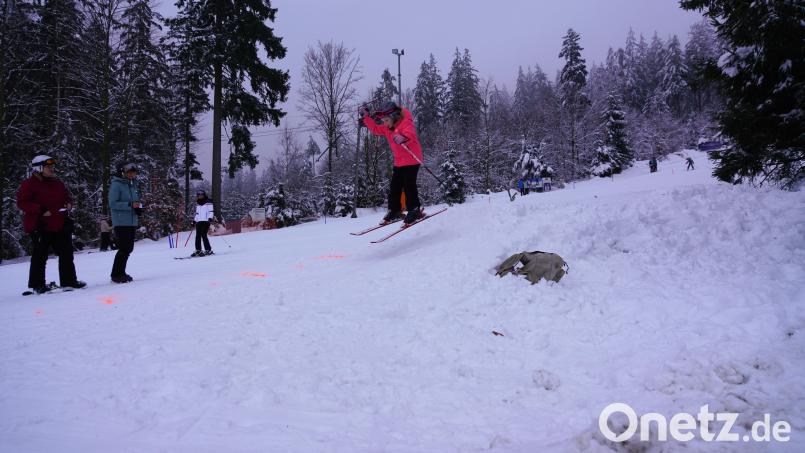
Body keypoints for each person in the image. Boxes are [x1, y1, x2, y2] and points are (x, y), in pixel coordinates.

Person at [16, 155, 86, 294]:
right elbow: (22, 203)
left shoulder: (57, 183)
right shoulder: (29, 184)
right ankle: (38, 285)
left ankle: (69, 281)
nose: (52, 169)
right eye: (48, 167)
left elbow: (66, 197)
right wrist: (40, 210)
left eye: (52, 167)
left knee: (66, 254)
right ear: (39, 168)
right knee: (40, 256)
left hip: (59, 224)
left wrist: (68, 204)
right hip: (40, 226)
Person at [360, 101, 425, 225]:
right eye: (383, 121)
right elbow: (375, 129)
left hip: (412, 159)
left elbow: (410, 134)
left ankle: (414, 210)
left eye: (386, 120)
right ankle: (395, 210)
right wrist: (366, 118)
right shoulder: (386, 127)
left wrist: (403, 138)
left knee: (408, 185)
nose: (384, 123)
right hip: (399, 162)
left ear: (394, 116)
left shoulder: (405, 121)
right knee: (394, 187)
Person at [108, 162, 142, 283]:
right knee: (124, 248)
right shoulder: (117, 185)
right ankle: (116, 274)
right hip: (121, 221)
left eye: (133, 172)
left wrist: (138, 208)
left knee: (128, 248)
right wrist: (130, 205)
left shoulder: (131, 185)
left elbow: (134, 202)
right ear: (122, 172)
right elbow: (112, 203)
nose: (132, 175)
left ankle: (121, 272)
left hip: (131, 221)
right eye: (129, 172)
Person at [192, 190, 215, 257]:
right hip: (199, 221)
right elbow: (197, 214)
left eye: (201, 195)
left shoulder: (208, 202)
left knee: (203, 235)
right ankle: (198, 250)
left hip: (206, 221)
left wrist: (210, 218)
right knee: (197, 236)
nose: (200, 196)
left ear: (204, 195)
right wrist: (194, 221)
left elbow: (211, 211)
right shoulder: (198, 203)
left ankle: (208, 250)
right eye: (199, 195)